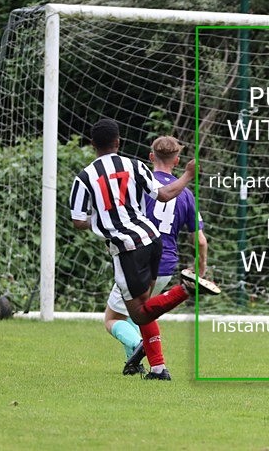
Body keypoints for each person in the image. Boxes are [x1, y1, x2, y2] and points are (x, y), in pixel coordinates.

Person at [70, 119, 218, 380]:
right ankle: (158, 368)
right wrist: (188, 175)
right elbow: (162, 195)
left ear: (92, 144)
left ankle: (184, 291)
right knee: (144, 307)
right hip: (154, 242)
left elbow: (78, 221)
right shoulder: (135, 166)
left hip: (128, 250)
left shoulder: (83, 178)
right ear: (118, 142)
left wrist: (104, 217)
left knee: (122, 316)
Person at [102, 136, 208, 379]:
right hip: (166, 264)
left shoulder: (139, 184)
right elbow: (200, 240)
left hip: (138, 257)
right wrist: (201, 268)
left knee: (112, 318)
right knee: (144, 311)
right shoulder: (186, 195)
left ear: (151, 157)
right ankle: (153, 366)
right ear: (177, 160)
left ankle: (140, 346)